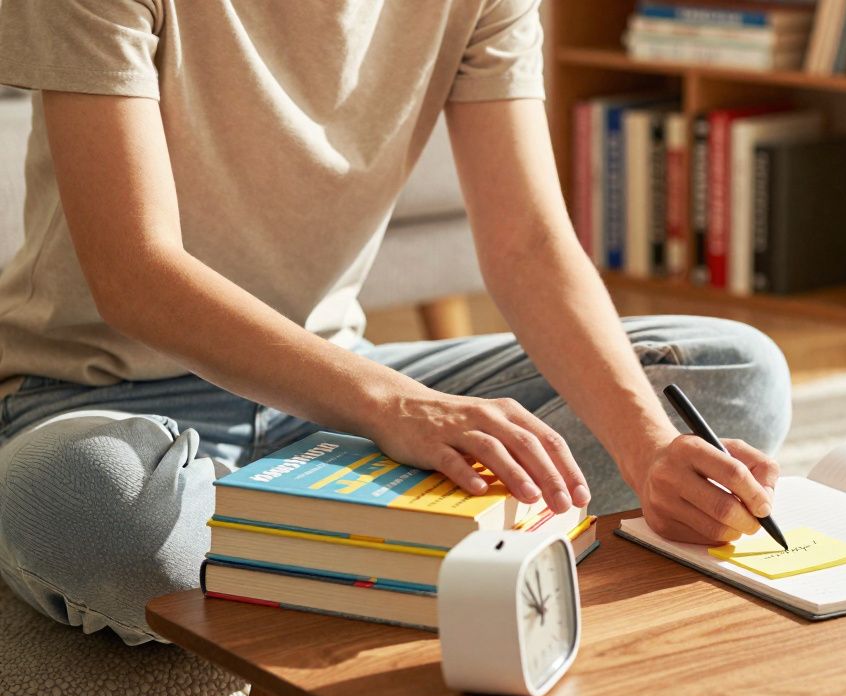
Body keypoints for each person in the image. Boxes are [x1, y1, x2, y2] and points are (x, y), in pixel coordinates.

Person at [0, 1, 790, 645]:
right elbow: (134, 274)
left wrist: (647, 449)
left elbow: (529, 244)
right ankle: (407, 546)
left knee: (733, 373)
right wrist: (393, 406)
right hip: (93, 395)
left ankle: (310, 547)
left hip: (330, 399)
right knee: (97, 508)